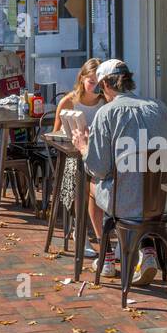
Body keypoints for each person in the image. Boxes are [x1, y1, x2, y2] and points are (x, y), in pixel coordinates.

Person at [69, 59, 167, 286]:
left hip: (125, 203)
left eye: (101, 88)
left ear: (107, 85)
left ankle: (106, 255)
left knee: (92, 185)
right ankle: (147, 250)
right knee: (141, 187)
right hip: (163, 201)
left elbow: (99, 168)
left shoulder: (107, 114)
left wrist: (83, 146)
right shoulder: (160, 107)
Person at [54, 58, 105, 258]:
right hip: (72, 158)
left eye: (100, 83)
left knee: (108, 177)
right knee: (81, 177)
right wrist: (75, 135)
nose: (95, 87)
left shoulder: (106, 102)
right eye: (91, 81)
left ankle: (106, 235)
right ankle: (80, 231)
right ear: (82, 79)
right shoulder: (69, 102)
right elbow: (55, 134)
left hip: (99, 158)